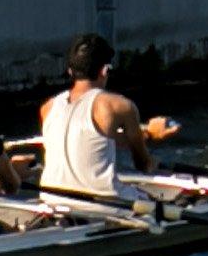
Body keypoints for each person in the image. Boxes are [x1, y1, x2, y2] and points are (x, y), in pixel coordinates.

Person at [35, 34, 186, 211]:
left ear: (70, 71)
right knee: (171, 200)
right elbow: (143, 165)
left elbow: (91, 139)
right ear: (104, 71)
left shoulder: (48, 108)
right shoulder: (119, 106)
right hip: (104, 203)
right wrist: (153, 151)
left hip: (52, 200)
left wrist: (149, 134)